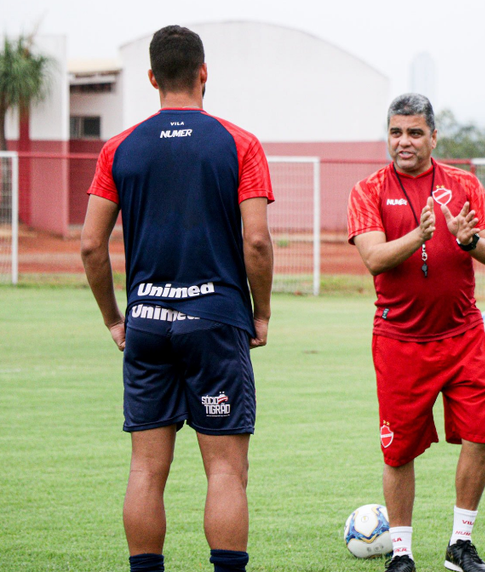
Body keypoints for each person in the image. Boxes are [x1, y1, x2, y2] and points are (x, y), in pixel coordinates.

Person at [80, 25, 274, 572]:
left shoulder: (119, 148)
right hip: (216, 322)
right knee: (226, 472)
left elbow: (92, 245)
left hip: (146, 322)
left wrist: (116, 319)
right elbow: (256, 240)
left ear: (151, 79)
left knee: (146, 470)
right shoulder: (240, 143)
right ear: (204, 72)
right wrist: (260, 312)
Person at [347, 93, 485, 572]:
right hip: (399, 342)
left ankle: (460, 545)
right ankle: (401, 553)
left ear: (434, 137)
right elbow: (373, 258)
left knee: (480, 436)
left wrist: (468, 239)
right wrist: (421, 234)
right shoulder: (368, 189)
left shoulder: (464, 184)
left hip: (463, 336)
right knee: (399, 451)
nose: (404, 142)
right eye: (396, 132)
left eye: (415, 132)